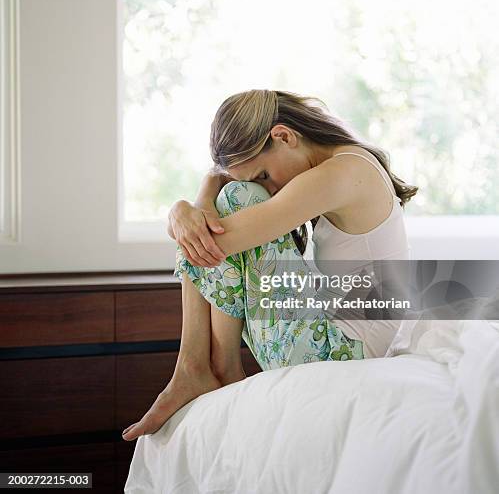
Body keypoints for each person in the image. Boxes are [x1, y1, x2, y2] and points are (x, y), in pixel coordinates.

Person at [122, 89, 417, 441]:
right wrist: (202, 191)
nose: (268, 188)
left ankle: (204, 367)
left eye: (263, 174)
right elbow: (206, 227)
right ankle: (198, 367)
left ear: (283, 136)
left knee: (237, 198)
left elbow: (210, 242)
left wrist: (182, 211)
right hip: (341, 342)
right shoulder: (346, 162)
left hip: (343, 353)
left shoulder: (344, 172)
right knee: (230, 198)